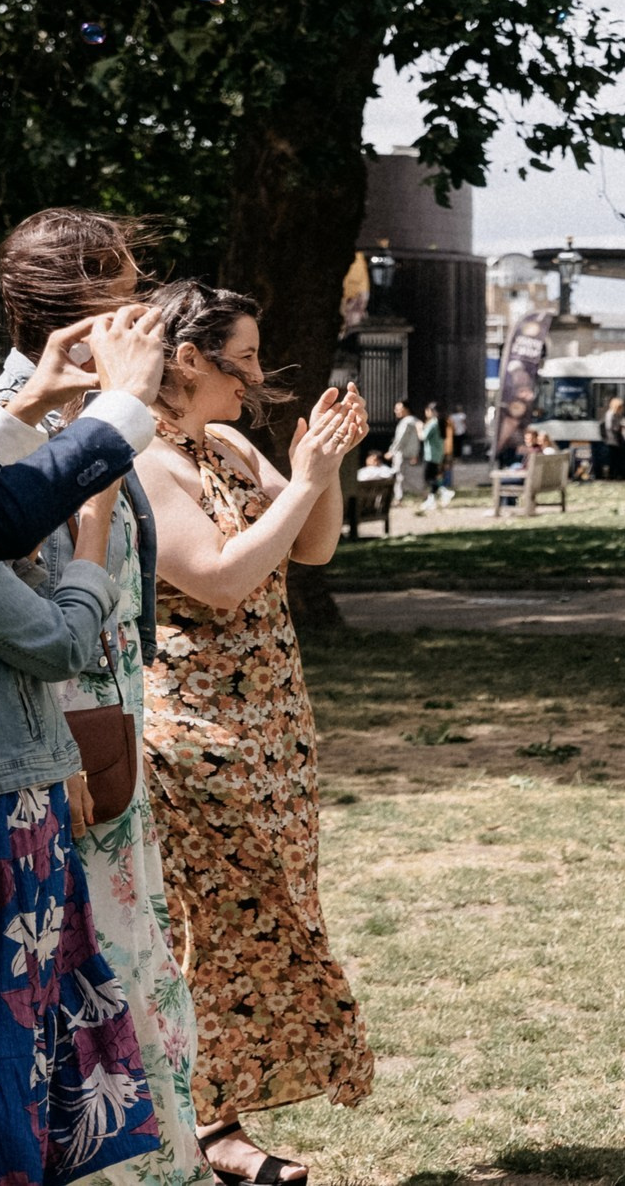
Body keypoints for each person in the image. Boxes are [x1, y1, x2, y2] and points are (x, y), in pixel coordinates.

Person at [0, 215, 221, 1186]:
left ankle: (175, 1165)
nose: (148, 309)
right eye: (128, 289)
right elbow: (21, 600)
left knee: (135, 976)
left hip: (102, 732)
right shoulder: (28, 419)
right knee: (75, 1002)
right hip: (51, 753)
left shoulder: (64, 406)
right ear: (81, 308)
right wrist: (74, 743)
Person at [134, 282, 374, 1183]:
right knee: (215, 925)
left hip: (273, 721)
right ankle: (205, 1124)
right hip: (195, 731)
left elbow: (311, 546)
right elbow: (221, 578)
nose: (257, 377)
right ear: (188, 359)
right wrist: (304, 479)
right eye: (244, 359)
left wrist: (325, 466)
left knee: (264, 916)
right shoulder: (144, 461)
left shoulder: (228, 443)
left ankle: (210, 1118)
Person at [0, 458, 167, 1183]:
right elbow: (59, 643)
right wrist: (95, 520)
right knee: (4, 1042)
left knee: (37, 1028)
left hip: (23, 790)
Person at [388, 398, 426, 502]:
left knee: (399, 476)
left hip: (401, 453)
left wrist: (392, 451)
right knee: (404, 476)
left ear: (406, 409)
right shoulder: (415, 420)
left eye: (398, 409)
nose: (396, 411)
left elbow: (401, 438)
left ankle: (399, 498)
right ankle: (422, 493)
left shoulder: (407, 422)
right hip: (411, 453)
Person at [416, 399, 447, 512]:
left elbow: (423, 437)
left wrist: (419, 428)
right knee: (433, 477)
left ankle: (444, 491)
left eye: (427, 410)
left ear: (431, 411)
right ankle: (432, 499)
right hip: (438, 453)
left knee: (428, 478)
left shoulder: (433, 423)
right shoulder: (441, 422)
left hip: (430, 455)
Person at [599, 394, 625, 481]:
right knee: (613, 459)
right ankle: (612, 475)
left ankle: (614, 475)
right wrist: (620, 428)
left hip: (613, 440)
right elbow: (610, 427)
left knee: (615, 458)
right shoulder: (611, 414)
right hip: (612, 440)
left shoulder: (614, 414)